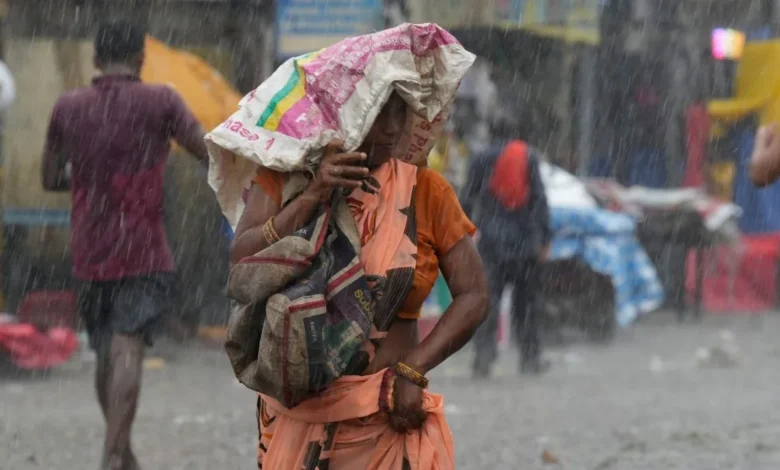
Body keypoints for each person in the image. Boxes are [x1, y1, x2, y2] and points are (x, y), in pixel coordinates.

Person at [231, 91, 489, 468]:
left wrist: (414, 368)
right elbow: (242, 261)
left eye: (401, 115)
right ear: (339, 115)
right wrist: (313, 196)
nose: (392, 129)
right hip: (294, 418)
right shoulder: (285, 178)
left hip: (385, 419)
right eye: (377, 115)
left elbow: (474, 294)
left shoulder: (425, 191)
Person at [41, 21, 208, 470]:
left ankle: (121, 452)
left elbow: (49, 178)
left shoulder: (67, 106)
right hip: (144, 248)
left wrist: (90, 176)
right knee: (128, 346)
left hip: (89, 250)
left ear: (95, 60)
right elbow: (207, 152)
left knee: (103, 350)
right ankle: (114, 455)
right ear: (140, 58)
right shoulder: (162, 100)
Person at [461, 116, 552, 378]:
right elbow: (539, 200)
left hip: (491, 243)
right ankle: (530, 358)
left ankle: (483, 358)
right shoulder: (528, 156)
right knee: (527, 305)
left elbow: (466, 199)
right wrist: (544, 239)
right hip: (525, 243)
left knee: (488, 303)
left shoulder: (480, 158)